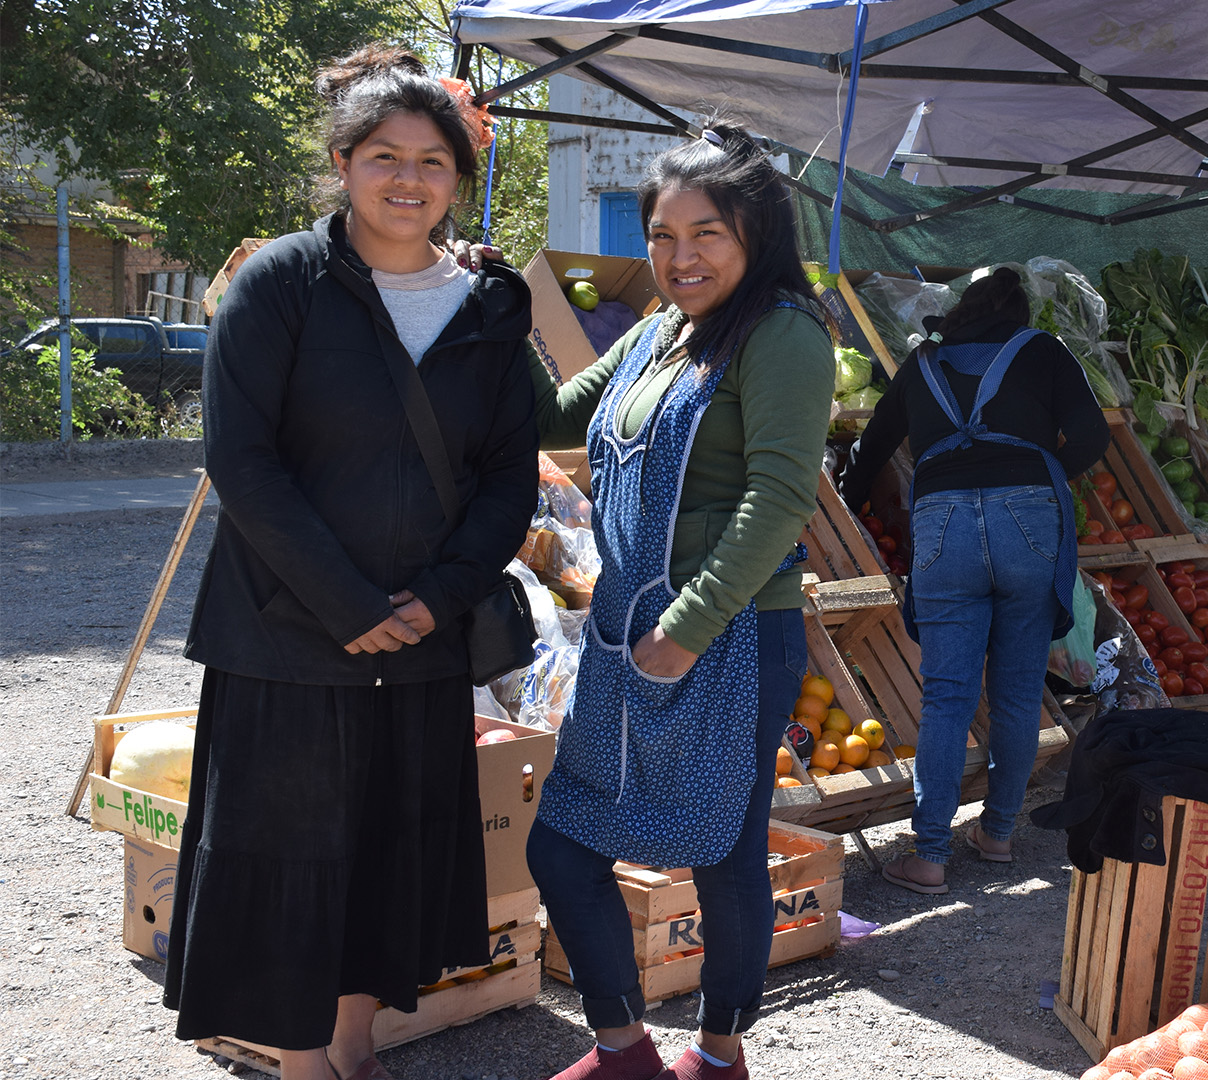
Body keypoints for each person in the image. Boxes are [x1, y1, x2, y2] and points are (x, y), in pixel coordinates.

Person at [164, 46, 538, 1080]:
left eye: (433, 162)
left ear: (458, 181)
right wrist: (344, 602)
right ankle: (297, 1061)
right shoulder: (281, 283)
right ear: (342, 163)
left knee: (387, 851)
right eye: (385, 157)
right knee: (287, 857)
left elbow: (510, 473)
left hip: (421, 636)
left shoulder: (492, 307)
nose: (409, 180)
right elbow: (241, 459)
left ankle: (355, 1048)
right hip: (287, 634)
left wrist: (444, 595)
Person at [521, 124, 834, 1080]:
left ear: (755, 237)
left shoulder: (781, 332)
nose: (679, 256)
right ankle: (623, 1048)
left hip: (730, 632)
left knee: (722, 850)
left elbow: (780, 497)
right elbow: (554, 420)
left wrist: (689, 628)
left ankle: (721, 1054)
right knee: (563, 842)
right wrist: (499, 313)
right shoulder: (660, 331)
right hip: (625, 628)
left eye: (707, 234)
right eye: (662, 234)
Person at [838, 267, 1109, 896]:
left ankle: (929, 856)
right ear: (1019, 316)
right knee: (1017, 694)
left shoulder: (921, 363)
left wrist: (853, 506)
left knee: (947, 697)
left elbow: (872, 449)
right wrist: (1041, 475)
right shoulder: (1043, 351)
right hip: (1030, 526)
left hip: (944, 527)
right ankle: (998, 836)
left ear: (960, 312)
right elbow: (1092, 436)